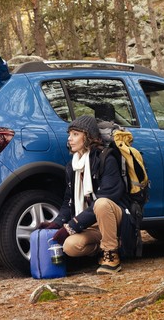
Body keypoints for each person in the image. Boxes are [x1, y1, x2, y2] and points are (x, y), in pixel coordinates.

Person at [41, 115, 127, 274]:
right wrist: (56, 223)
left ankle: (111, 255)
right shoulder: (72, 166)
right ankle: (102, 249)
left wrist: (71, 226)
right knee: (70, 247)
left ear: (88, 136)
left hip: (112, 217)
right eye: (69, 134)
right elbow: (68, 201)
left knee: (101, 204)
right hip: (90, 224)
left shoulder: (106, 159)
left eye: (75, 134)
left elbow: (107, 198)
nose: (70, 139)